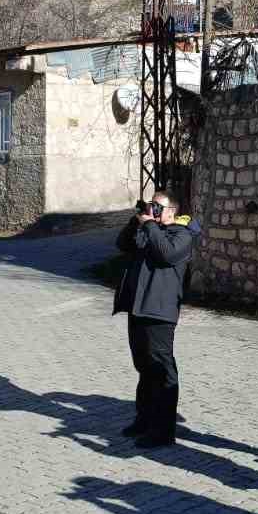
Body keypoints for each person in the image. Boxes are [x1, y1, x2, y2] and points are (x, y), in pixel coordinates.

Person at [114, 190, 201, 448]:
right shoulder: (148, 229)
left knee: (162, 371)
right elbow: (122, 245)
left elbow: (166, 254)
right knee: (144, 368)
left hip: (159, 312)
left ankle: (164, 431)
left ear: (172, 211)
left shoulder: (182, 234)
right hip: (138, 309)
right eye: (150, 205)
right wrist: (136, 220)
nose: (152, 210)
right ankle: (144, 419)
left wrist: (150, 224)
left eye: (157, 206)